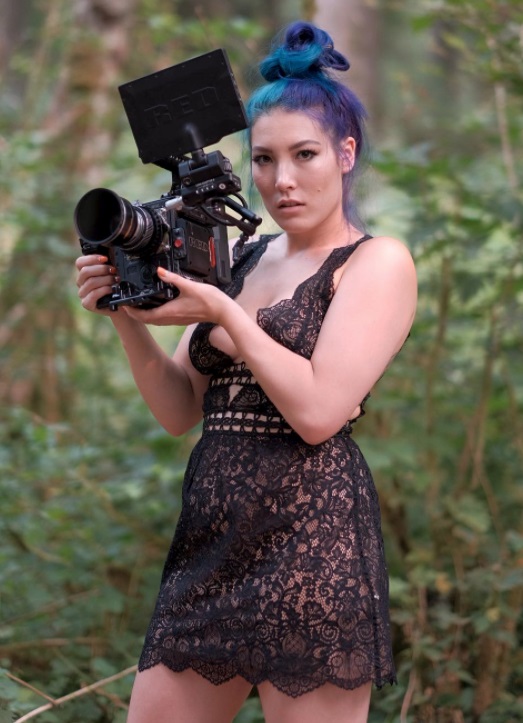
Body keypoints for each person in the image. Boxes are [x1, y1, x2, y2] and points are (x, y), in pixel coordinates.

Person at [75, 21, 417, 723]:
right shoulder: (242, 258)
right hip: (210, 545)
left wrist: (226, 317)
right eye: (264, 159)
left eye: (304, 155)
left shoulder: (376, 262)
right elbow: (178, 410)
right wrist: (122, 313)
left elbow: (318, 413)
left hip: (312, 545)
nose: (281, 180)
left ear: (345, 153)